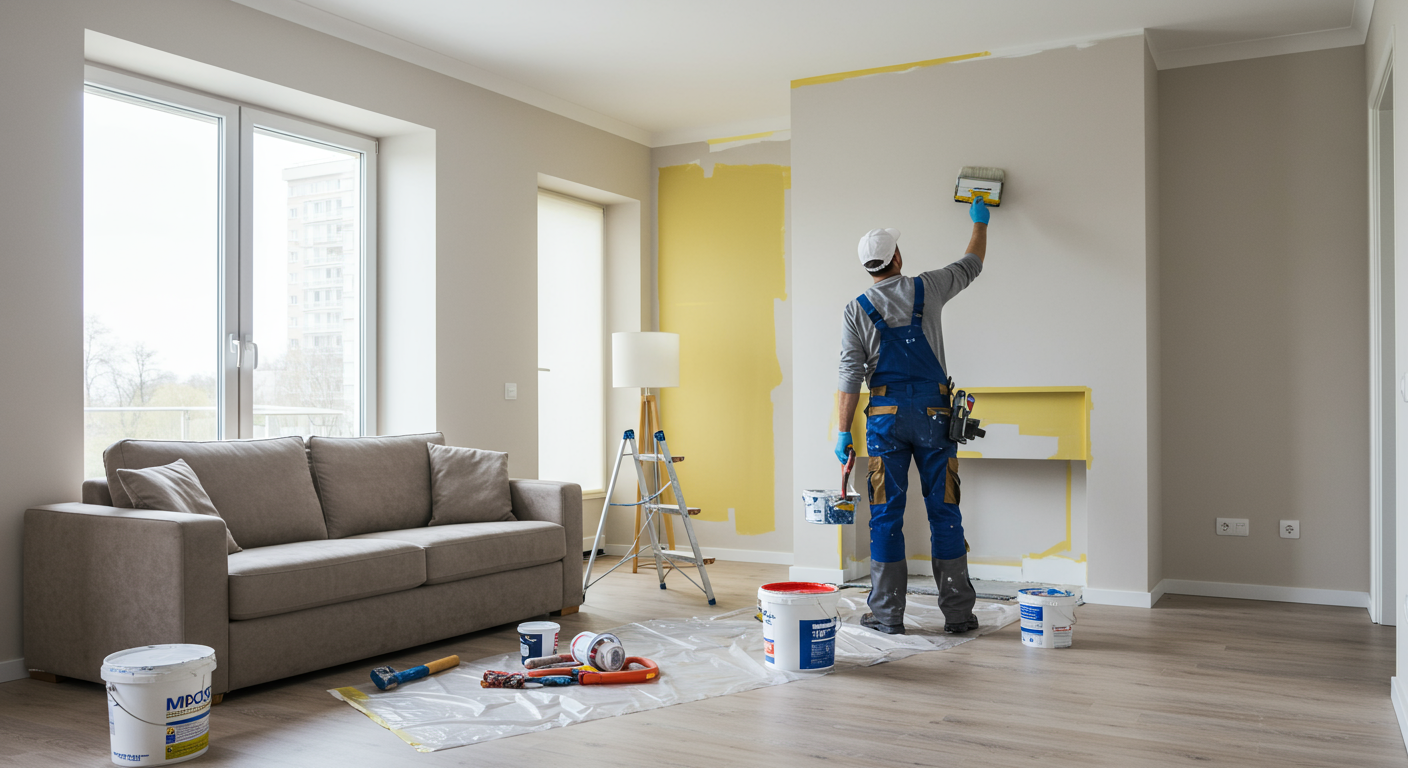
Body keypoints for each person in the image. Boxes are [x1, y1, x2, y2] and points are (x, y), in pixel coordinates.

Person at [834, 197, 989, 635]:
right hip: (935, 415)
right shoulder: (930, 286)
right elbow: (972, 262)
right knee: (945, 509)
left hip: (884, 418)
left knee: (885, 514)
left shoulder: (855, 309)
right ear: (896, 257)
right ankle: (958, 615)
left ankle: (887, 615)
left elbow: (849, 374)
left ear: (868, 265)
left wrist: (843, 432)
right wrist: (980, 223)